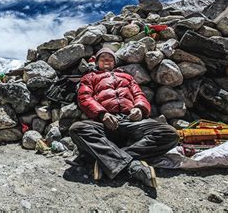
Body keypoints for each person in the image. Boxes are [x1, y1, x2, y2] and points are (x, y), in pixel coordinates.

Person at [69, 47, 179, 188]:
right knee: (77, 129)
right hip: (105, 124)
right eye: (102, 58)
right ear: (97, 62)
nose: (106, 60)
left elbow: (139, 94)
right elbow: (84, 98)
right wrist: (103, 114)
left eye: (110, 58)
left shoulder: (127, 77)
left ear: (114, 62)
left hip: (131, 122)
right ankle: (132, 165)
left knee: (170, 133)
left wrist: (139, 108)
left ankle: (109, 159)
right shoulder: (90, 77)